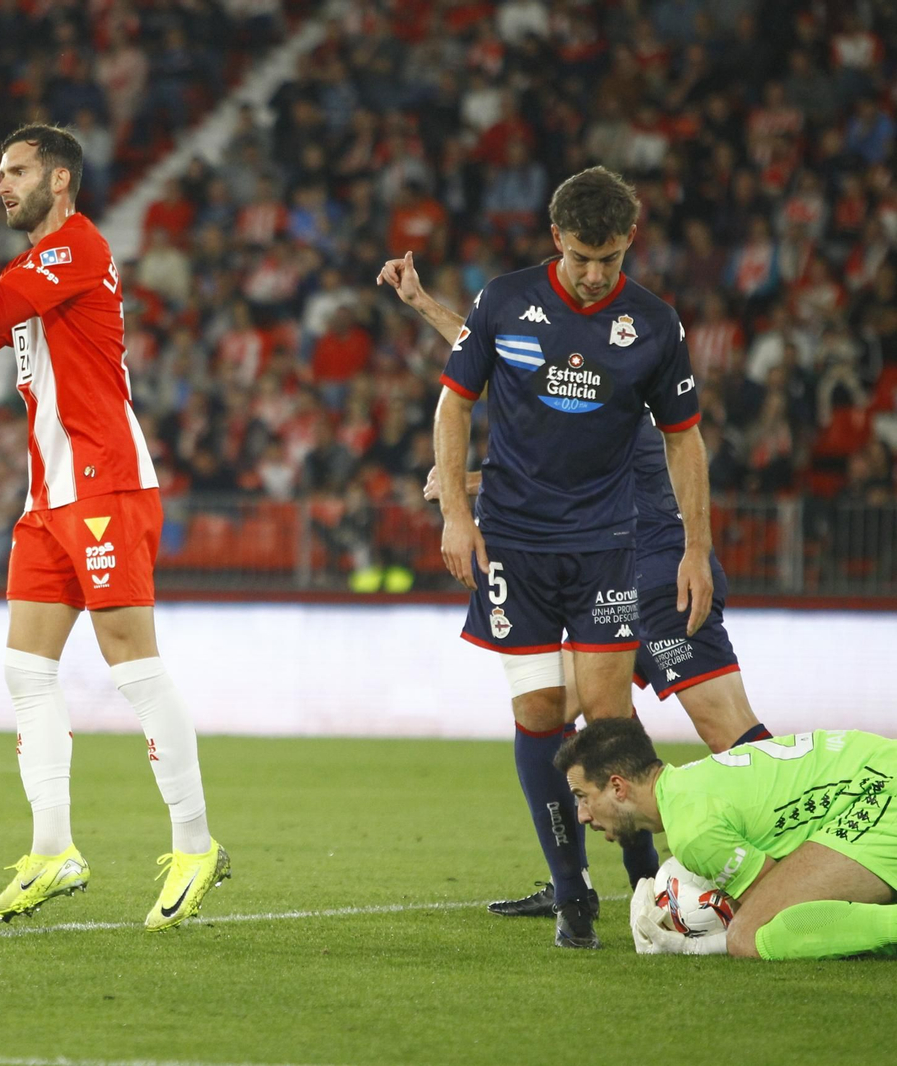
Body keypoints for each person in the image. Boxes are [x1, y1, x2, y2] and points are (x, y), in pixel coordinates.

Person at [0, 124, 228, 931]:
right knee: (25, 671)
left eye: (17, 170)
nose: (2, 184)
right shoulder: (27, 270)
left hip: (107, 484)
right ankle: (54, 850)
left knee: (132, 665)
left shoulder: (79, 250)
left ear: (59, 180)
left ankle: (196, 842)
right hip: (47, 500)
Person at [380, 167, 712, 949]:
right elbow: (456, 398)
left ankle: (645, 882)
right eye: (583, 257)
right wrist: (457, 516)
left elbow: (684, 438)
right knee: (537, 715)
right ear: (557, 237)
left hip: (605, 546)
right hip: (516, 546)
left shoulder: (655, 324)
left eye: (611, 259)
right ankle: (572, 899)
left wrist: (696, 548)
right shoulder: (506, 299)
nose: (596, 276)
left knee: (606, 715)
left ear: (630, 241)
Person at [399, 256, 777, 921]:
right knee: (562, 713)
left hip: (647, 565)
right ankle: (619, 877)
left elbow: (577, 459)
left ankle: (789, 850)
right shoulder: (583, 381)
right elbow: (512, 359)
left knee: (720, 726)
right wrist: (428, 307)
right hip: (618, 555)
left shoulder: (619, 389)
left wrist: (467, 486)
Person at [557, 717, 897, 960]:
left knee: (747, 936)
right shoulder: (688, 784)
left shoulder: (692, 829)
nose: (583, 815)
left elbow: (778, 906)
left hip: (880, 793)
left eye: (583, 796)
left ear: (617, 787)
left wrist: (696, 943)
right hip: (876, 774)